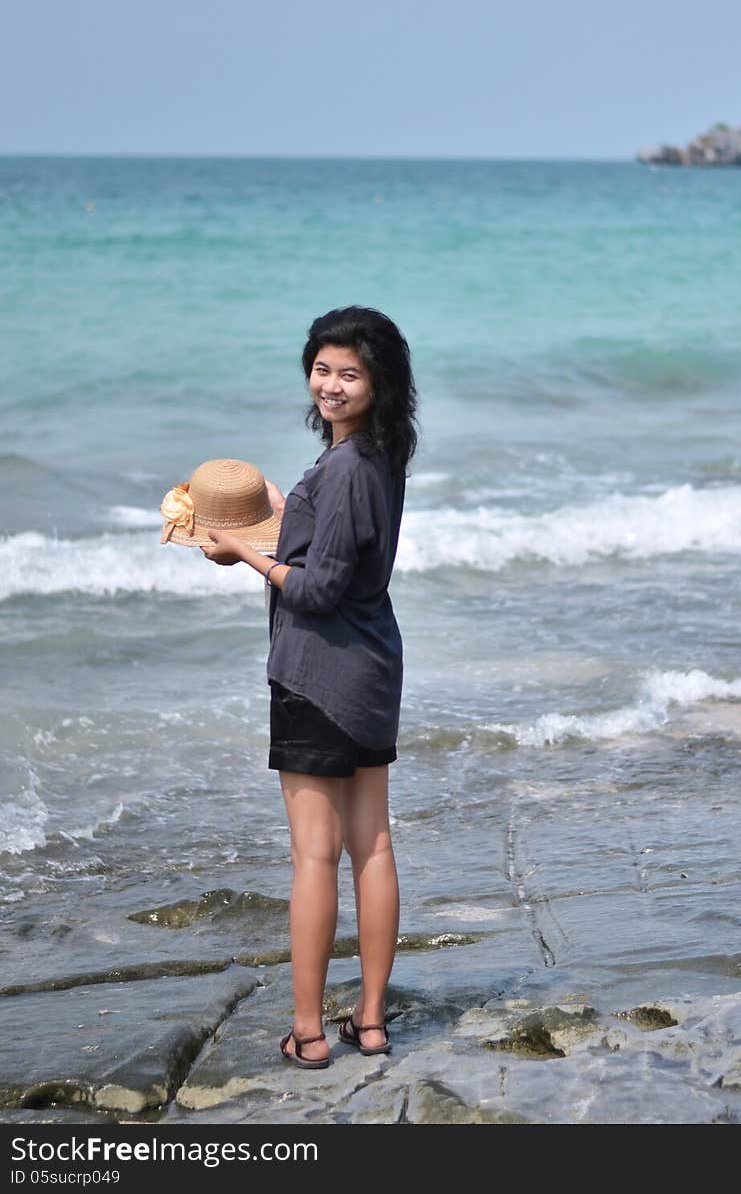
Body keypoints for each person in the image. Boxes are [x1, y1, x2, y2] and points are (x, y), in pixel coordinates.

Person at [202, 306, 417, 1068]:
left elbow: (318, 587)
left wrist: (243, 552)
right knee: (375, 845)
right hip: (371, 669)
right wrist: (278, 504)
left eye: (348, 373)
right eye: (322, 369)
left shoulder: (349, 465)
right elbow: (339, 544)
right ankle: (371, 1021)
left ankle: (310, 1032)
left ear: (378, 381)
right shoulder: (378, 455)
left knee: (315, 857)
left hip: (317, 672)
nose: (330, 384)